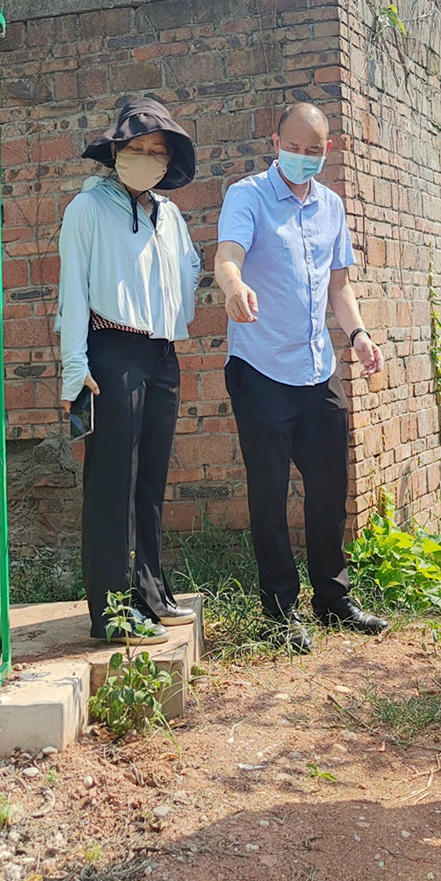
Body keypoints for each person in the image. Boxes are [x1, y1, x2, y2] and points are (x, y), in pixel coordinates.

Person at [212, 101, 390, 653]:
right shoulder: (247, 196)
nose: (305, 158)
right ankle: (280, 611)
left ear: (327, 151)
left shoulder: (332, 206)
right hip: (261, 368)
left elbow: (340, 287)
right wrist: (233, 287)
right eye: (296, 148)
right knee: (269, 495)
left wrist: (358, 335)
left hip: (318, 370)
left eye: (315, 151)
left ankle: (332, 599)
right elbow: (227, 256)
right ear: (275, 141)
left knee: (330, 488)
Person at [58, 97, 203, 644]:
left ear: (169, 161)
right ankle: (112, 611)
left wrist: (177, 316)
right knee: (112, 482)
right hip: (110, 352)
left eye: (156, 151)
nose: (145, 157)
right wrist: (76, 366)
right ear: (115, 151)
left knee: (150, 481)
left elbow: (189, 267)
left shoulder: (169, 215)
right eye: (135, 147)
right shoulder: (87, 209)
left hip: (161, 353)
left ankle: (150, 591)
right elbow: (71, 289)